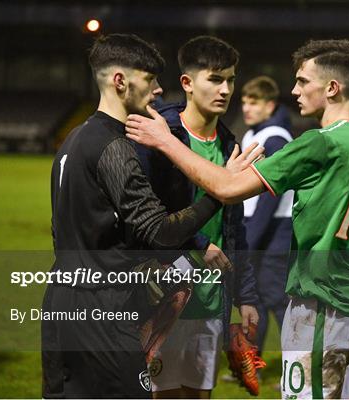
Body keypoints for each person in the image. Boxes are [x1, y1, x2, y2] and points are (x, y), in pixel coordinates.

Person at [127, 38, 349, 399]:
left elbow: (228, 187)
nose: (293, 91)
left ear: (331, 88)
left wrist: (164, 140)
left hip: (321, 309)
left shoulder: (319, 143)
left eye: (302, 81)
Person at [43, 33, 254, 398]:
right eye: (150, 79)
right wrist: (220, 194)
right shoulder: (115, 147)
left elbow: (59, 228)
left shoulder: (73, 140)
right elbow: (159, 231)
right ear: (120, 81)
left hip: (61, 302)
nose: (158, 90)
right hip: (103, 308)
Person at [134, 36, 259, 399]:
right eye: (215, 79)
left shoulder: (228, 143)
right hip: (163, 294)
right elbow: (145, 215)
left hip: (210, 298)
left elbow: (236, 227)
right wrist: (199, 244)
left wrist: (245, 296)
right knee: (161, 394)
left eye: (231, 80)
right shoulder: (160, 135)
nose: (225, 89)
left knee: (198, 395)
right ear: (187, 83)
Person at [240, 76, 293, 354]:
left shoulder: (276, 139)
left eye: (254, 102)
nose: (247, 108)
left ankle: (298, 369)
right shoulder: (255, 134)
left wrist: (247, 241)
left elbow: (269, 199)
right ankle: (253, 363)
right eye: (244, 102)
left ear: (270, 105)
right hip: (257, 227)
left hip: (275, 231)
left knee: (278, 300)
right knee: (256, 298)